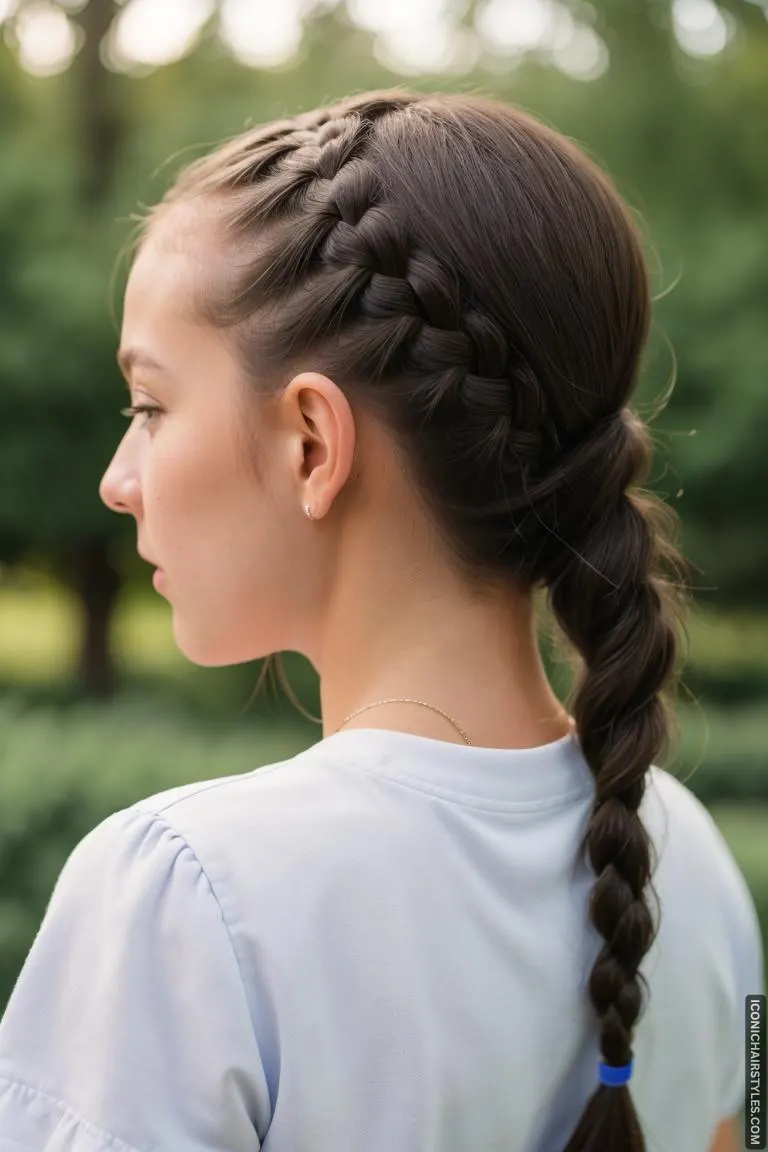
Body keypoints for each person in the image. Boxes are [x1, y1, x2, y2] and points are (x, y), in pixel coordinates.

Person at [0, 89, 761, 1152]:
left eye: (150, 407)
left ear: (313, 442)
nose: (118, 480)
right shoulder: (696, 868)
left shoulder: (187, 898)